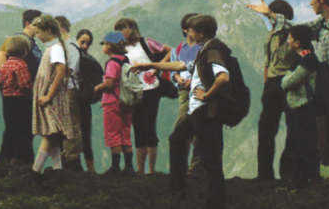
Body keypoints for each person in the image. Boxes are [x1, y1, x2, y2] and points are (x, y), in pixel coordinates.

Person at [248, 0, 329, 190]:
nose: (310, 2)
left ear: (322, 0)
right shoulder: (323, 23)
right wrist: (271, 15)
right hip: (328, 85)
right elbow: (299, 31)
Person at [132, 15, 229, 209]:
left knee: (210, 155)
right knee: (177, 139)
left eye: (191, 30)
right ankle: (178, 189)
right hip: (198, 111)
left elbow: (223, 77)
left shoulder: (213, 51)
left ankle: (214, 201)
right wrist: (150, 65)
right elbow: (180, 65)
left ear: (200, 33)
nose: (189, 33)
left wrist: (207, 95)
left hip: (206, 111)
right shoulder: (203, 51)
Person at [247, 0, 298, 181]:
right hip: (273, 85)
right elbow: (267, 63)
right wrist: (267, 84)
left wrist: (270, 14)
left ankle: (288, 172)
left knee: (294, 129)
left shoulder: (293, 32)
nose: (270, 20)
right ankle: (264, 174)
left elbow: (285, 22)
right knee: (266, 129)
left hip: (291, 83)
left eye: (272, 16)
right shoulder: (270, 35)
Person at [114, 17, 172, 175]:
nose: (121, 32)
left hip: (151, 88)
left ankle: (151, 171)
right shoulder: (119, 48)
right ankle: (140, 171)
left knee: (149, 127)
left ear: (132, 28)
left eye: (124, 28)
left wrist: (157, 68)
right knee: (138, 128)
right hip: (132, 91)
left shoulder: (146, 42)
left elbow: (170, 51)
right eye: (118, 30)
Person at [25, 15, 73, 185]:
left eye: (39, 32)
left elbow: (60, 72)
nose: (37, 35)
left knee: (48, 134)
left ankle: (35, 171)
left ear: (48, 30)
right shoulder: (53, 48)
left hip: (52, 98)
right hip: (48, 96)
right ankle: (58, 170)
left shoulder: (56, 49)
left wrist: (49, 95)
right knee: (51, 135)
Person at [0, 9, 42, 164]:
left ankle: (19, 158)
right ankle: (14, 159)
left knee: (19, 127)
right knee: (21, 127)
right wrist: (11, 77)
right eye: (37, 23)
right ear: (28, 24)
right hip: (21, 94)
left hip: (15, 95)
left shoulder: (32, 43)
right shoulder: (18, 40)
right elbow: (1, 54)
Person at [281, 26, 322, 189]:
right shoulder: (303, 59)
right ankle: (301, 179)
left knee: (306, 144)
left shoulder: (307, 61)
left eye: (290, 39)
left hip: (303, 107)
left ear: (297, 43)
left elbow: (286, 83)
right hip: (297, 107)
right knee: (298, 143)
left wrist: (290, 78)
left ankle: (314, 179)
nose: (288, 41)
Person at [95, 32, 135, 177]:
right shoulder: (125, 60)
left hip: (112, 102)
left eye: (104, 44)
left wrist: (98, 88)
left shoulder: (112, 62)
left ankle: (115, 168)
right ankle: (129, 167)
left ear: (110, 45)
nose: (103, 47)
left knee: (113, 134)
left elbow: (109, 83)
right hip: (126, 101)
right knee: (125, 133)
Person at [169, 13, 204, 179]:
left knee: (200, 131)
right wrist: (178, 78)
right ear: (186, 29)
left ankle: (196, 169)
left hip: (198, 92)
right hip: (184, 93)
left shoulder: (203, 48)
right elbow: (173, 70)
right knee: (181, 128)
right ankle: (180, 168)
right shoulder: (178, 49)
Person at [0, 35, 35, 166]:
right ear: (24, 50)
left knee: (10, 128)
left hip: (7, 101)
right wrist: (32, 91)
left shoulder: (5, 65)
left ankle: (6, 157)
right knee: (23, 128)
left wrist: (5, 92)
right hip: (20, 101)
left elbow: (0, 83)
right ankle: (17, 158)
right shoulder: (21, 65)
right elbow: (24, 84)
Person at [54, 16, 83, 172]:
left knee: (71, 125)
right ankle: (70, 158)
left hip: (68, 90)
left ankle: (71, 160)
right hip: (72, 90)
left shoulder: (67, 47)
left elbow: (64, 72)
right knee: (71, 124)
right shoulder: (73, 46)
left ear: (61, 31)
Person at [76, 29, 97, 173]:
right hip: (76, 102)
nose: (84, 46)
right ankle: (77, 168)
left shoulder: (89, 61)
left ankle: (91, 171)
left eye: (87, 43)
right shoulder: (74, 59)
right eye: (82, 42)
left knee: (85, 137)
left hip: (82, 103)